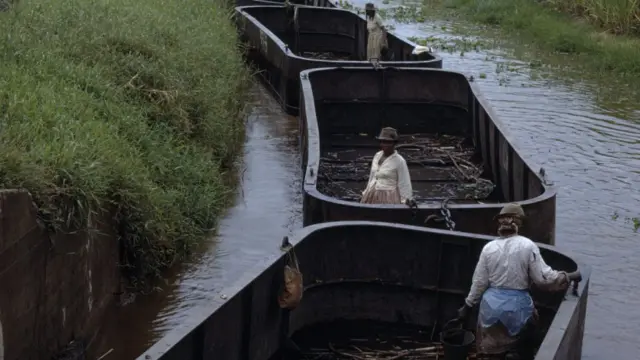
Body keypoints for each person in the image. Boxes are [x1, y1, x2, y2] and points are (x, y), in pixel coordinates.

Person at [457, 203, 582, 360]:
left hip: (490, 308)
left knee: (491, 352)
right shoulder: (527, 245)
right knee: (525, 340)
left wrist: (467, 306)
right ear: (519, 223)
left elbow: (479, 283)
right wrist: (568, 276)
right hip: (517, 309)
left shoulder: (488, 248)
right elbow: (544, 280)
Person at [361, 127, 415, 207]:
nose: (384, 145)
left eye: (388, 142)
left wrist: (406, 201)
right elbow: (372, 177)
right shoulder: (377, 156)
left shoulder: (399, 161)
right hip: (372, 194)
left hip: (389, 197)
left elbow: (404, 183)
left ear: (394, 144)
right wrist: (365, 192)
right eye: (382, 142)